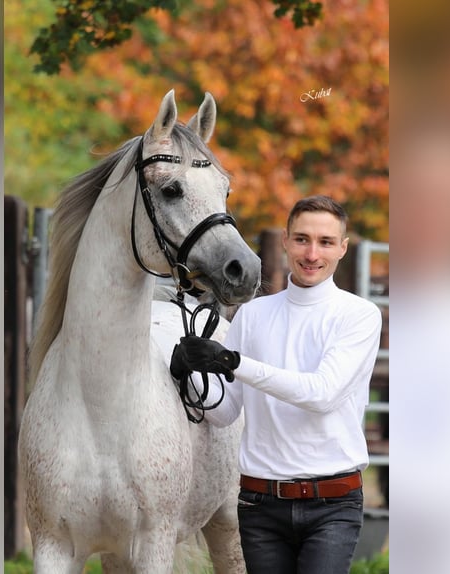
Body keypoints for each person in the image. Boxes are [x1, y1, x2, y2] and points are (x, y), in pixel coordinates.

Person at [170, 195, 382, 574]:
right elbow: (223, 412)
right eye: (301, 239)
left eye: (325, 242)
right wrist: (190, 375)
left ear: (343, 249)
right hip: (260, 503)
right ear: (285, 241)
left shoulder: (358, 316)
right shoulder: (252, 316)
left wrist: (233, 362)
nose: (312, 252)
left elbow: (321, 394)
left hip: (332, 503)